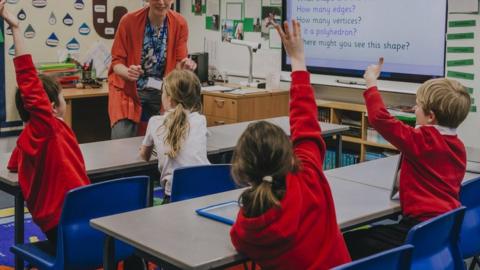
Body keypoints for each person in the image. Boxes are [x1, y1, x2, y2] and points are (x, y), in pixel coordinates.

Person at [229, 20, 351, 269]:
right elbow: (306, 123)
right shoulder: (309, 177)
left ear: (242, 169)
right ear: (288, 153)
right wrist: (297, 59)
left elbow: (237, 241)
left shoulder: (246, 228)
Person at [343, 58, 471, 259]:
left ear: (430, 117)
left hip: (417, 228)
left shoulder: (422, 141)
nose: (414, 108)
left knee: (346, 242)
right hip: (442, 229)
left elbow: (379, 118)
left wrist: (371, 82)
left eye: (418, 105)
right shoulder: (458, 146)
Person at [1, 0, 90, 247]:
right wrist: (16, 28)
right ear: (49, 106)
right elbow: (28, 79)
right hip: (72, 217)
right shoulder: (47, 127)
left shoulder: (31, 134)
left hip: (58, 220)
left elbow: (15, 162)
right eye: (62, 96)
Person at [109, 0, 197, 139]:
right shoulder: (129, 21)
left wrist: (185, 67)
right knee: (122, 138)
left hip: (162, 91)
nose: (161, 2)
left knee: (171, 136)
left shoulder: (180, 23)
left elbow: (179, 63)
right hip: (129, 90)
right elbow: (116, 63)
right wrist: (128, 72)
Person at [139, 69, 209, 203]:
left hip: (174, 197)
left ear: (169, 99)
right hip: (204, 191)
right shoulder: (201, 120)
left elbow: (144, 156)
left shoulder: (155, 122)